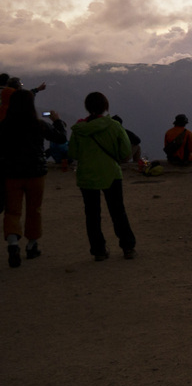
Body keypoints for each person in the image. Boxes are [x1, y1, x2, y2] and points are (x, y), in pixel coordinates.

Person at [0, 90, 66, 267]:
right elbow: (61, 138)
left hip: (11, 174)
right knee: (34, 209)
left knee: (12, 211)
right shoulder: (39, 125)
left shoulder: (4, 126)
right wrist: (57, 120)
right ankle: (31, 246)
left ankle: (13, 245)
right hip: (35, 173)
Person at [68, 92, 137, 261]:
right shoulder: (114, 126)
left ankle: (98, 250)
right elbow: (126, 152)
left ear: (87, 107)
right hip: (111, 174)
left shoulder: (79, 130)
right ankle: (127, 247)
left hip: (87, 175)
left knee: (92, 214)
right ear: (105, 106)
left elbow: (73, 153)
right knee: (118, 211)